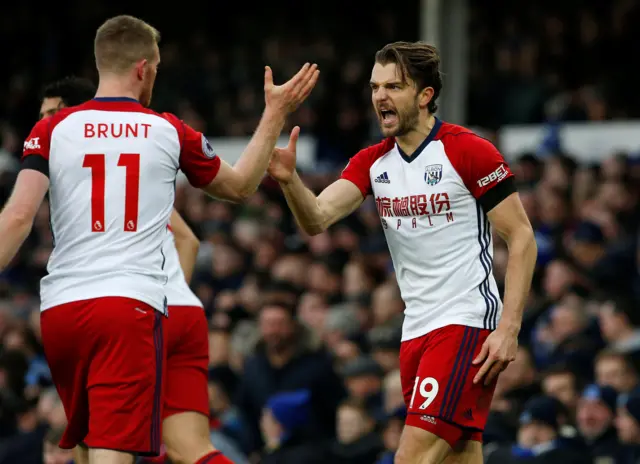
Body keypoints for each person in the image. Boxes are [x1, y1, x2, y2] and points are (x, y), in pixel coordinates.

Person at [0, 14, 318, 464]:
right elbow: (242, 185)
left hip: (60, 312)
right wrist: (275, 113)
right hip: (126, 309)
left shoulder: (51, 128)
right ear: (144, 68)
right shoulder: (167, 129)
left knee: (88, 448)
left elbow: (16, 218)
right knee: (117, 452)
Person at [267, 40, 536, 464]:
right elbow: (316, 218)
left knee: (410, 458)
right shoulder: (373, 163)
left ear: (425, 95)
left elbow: (521, 237)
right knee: (458, 456)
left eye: (393, 86)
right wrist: (289, 180)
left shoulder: (468, 150)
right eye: (375, 87)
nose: (379, 97)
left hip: (464, 321)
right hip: (415, 330)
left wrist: (509, 327)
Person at [36, 77, 240, 463]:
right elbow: (189, 240)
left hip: (124, 308)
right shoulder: (133, 176)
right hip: (171, 308)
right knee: (188, 448)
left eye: (53, 114)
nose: (44, 124)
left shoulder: (77, 178)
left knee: (93, 436)